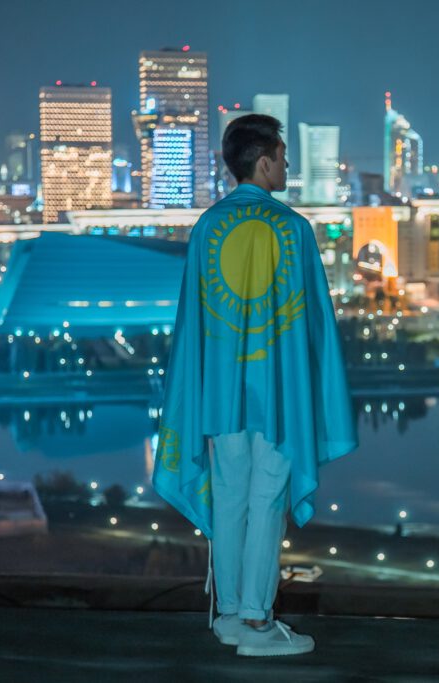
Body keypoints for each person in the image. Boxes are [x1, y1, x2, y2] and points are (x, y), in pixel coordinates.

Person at [152, 114, 357, 657]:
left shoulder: (206, 227)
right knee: (268, 499)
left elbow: (192, 324)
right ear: (263, 160)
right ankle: (259, 623)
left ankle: (229, 615)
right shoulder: (290, 229)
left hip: (217, 392)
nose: (287, 164)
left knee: (229, 499)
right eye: (283, 156)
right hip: (276, 391)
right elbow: (311, 324)